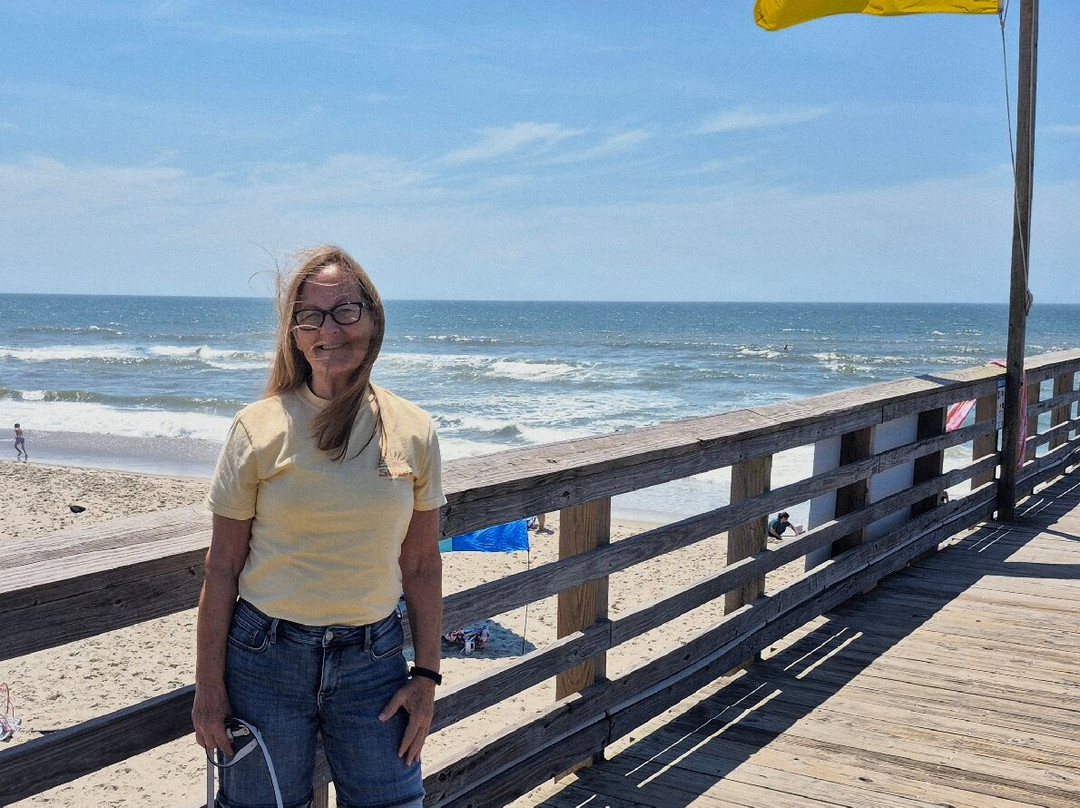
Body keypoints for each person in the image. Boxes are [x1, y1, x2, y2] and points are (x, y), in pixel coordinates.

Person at [192, 246, 445, 808]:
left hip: (374, 663)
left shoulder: (414, 429)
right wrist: (209, 688)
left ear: (373, 318)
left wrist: (427, 677)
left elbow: (423, 563)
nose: (329, 329)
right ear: (295, 334)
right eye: (311, 316)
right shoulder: (256, 429)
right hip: (264, 659)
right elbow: (222, 566)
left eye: (346, 311)